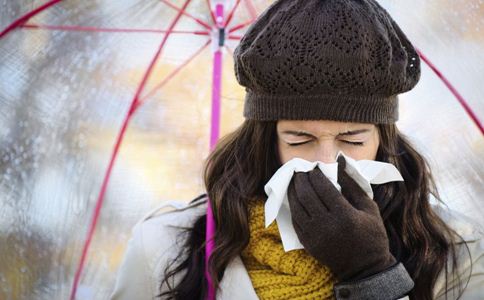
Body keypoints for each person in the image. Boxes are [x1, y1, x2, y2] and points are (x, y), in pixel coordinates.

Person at [110, 0, 484, 299]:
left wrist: (373, 275)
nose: (325, 163)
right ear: (265, 143)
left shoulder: (457, 254)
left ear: (384, 142)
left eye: (352, 140)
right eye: (299, 140)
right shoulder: (163, 248)